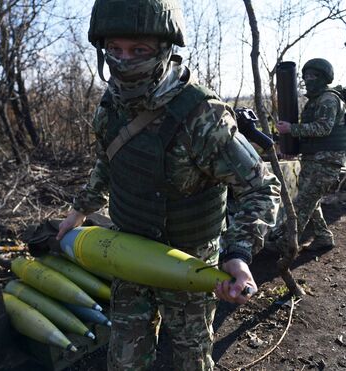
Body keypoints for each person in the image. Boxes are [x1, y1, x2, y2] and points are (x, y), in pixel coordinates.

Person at [56, 1, 281, 369]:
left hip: (190, 258)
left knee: (191, 358)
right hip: (130, 251)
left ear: (164, 50)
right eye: (115, 49)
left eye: (139, 50)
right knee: (125, 360)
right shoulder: (111, 108)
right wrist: (80, 209)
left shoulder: (202, 115)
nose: (124, 60)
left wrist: (238, 252)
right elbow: (107, 162)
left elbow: (259, 187)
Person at [276, 58, 346, 251]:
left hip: (326, 163)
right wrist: (292, 147)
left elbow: (323, 128)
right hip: (314, 161)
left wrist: (291, 129)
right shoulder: (316, 101)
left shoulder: (328, 99)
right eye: (306, 76)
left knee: (301, 204)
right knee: (311, 201)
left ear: (323, 78)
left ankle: (286, 244)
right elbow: (313, 136)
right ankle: (324, 236)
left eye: (313, 76)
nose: (308, 80)